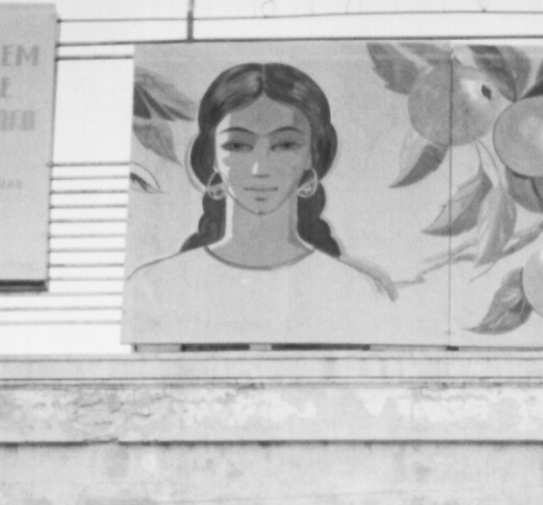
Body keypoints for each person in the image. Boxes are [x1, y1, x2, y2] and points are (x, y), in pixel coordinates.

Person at [124, 61, 398, 345]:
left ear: (312, 161)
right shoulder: (155, 285)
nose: (259, 168)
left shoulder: (357, 290)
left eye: (285, 145)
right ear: (211, 160)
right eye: (237, 146)